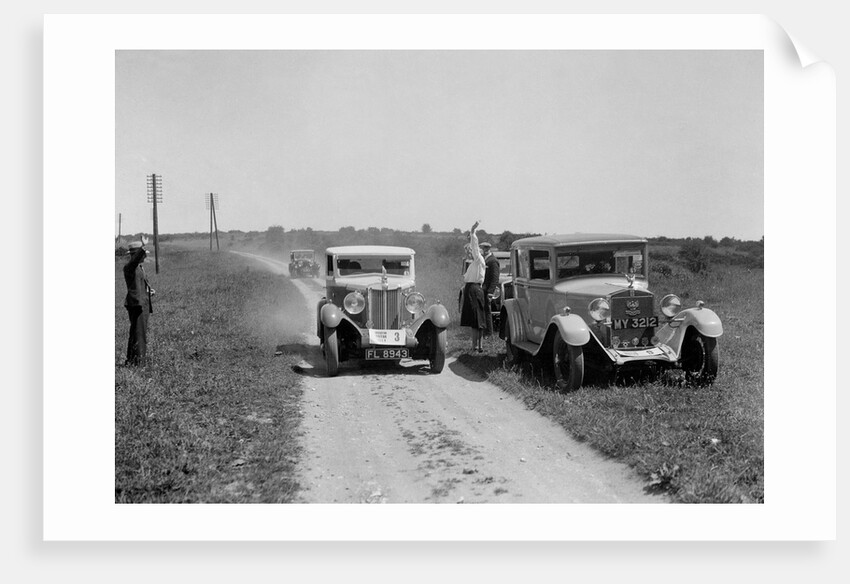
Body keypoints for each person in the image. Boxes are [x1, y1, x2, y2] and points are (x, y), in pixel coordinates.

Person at [123, 237, 155, 365]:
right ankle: (139, 362)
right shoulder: (130, 267)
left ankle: (131, 359)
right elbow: (135, 260)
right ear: (135, 255)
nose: (144, 257)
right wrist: (143, 247)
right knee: (139, 334)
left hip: (143, 303)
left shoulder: (140, 268)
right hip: (137, 305)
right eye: (143, 255)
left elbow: (140, 283)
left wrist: (149, 290)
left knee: (136, 332)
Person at [460, 220, 487, 352]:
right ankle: (476, 346)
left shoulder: (478, 260)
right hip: (472, 289)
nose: (469, 252)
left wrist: (473, 231)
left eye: (469, 250)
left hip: (474, 290)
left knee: (478, 320)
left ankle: (477, 346)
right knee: (474, 320)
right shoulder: (474, 263)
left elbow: (475, 247)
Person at [481, 241, 500, 336]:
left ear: (488, 249)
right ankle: (485, 331)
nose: (484, 250)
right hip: (483, 289)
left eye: (485, 248)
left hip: (487, 290)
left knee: (487, 312)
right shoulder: (485, 259)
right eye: (483, 248)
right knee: (484, 311)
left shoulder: (492, 261)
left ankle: (489, 333)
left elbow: (495, 278)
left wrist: (490, 292)